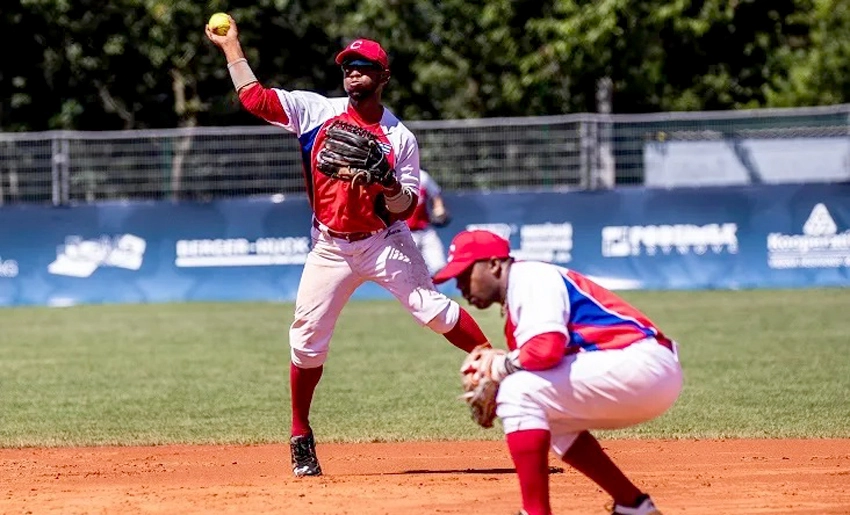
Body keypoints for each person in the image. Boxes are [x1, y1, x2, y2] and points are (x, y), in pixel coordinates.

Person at [206, 19, 491, 477]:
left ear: (383, 76)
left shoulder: (400, 139)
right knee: (306, 342)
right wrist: (232, 46)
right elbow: (254, 98)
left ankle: (499, 367)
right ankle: (301, 434)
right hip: (329, 246)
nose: (353, 71)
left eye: (364, 65)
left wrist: (388, 181)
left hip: (383, 240)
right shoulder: (315, 112)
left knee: (432, 310)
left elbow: (403, 209)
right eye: (348, 65)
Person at [432, 230, 683, 515]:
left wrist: (500, 368)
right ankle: (633, 505)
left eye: (465, 274)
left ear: (494, 264)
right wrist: (506, 370)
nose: (461, 286)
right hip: (641, 371)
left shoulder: (529, 278)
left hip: (640, 363)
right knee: (548, 417)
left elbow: (546, 349)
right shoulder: (519, 295)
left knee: (519, 392)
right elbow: (544, 356)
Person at [406, 168, 450, 275]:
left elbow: (435, 194)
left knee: (439, 267)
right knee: (408, 273)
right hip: (404, 233)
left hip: (425, 230)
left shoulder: (422, 176)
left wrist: (439, 208)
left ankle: (435, 291)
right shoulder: (393, 175)